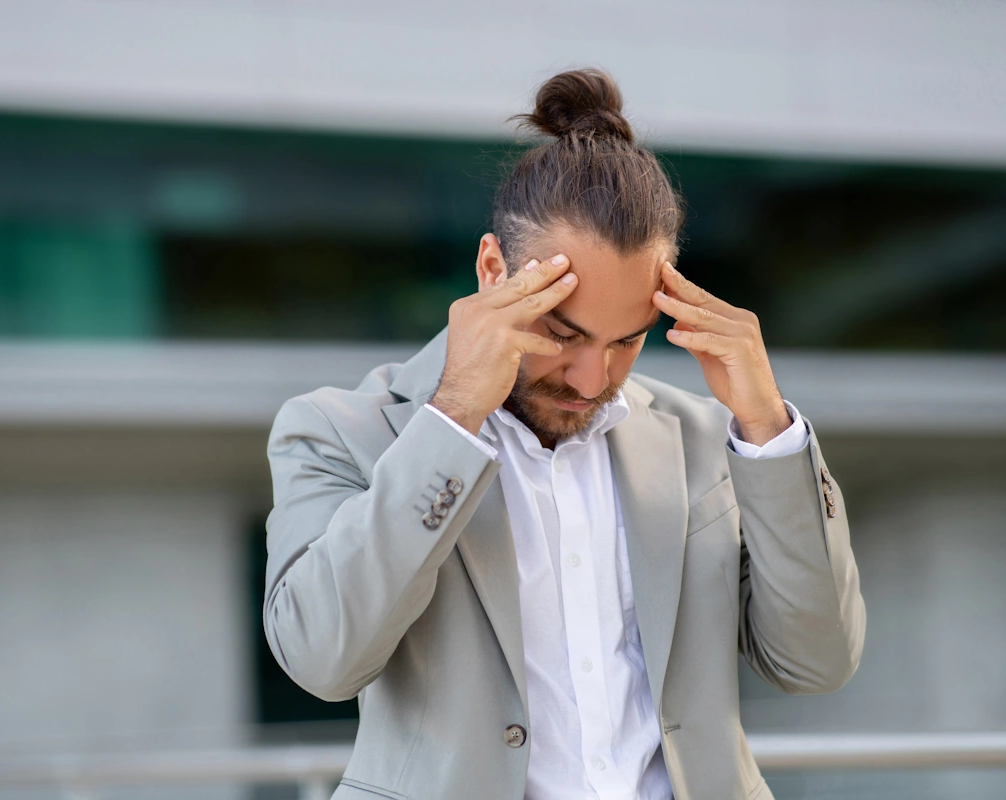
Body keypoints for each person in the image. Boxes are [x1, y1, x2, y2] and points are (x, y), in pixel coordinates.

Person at [263, 68, 865, 800]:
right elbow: (321, 657)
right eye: (562, 333)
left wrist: (769, 429)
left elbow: (815, 661)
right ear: (493, 270)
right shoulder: (342, 430)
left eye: (626, 342)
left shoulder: (705, 442)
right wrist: (452, 419)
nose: (590, 379)